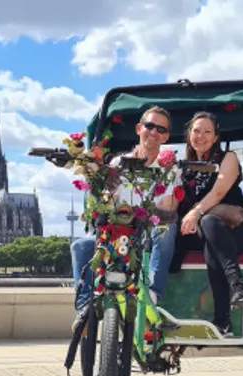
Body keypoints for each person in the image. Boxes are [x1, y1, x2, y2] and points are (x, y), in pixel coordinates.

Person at [69, 106, 181, 333]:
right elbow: (107, 201)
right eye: (150, 126)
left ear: (166, 137)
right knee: (80, 246)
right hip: (119, 235)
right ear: (139, 129)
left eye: (161, 129)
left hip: (148, 234)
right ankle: (85, 308)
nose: (154, 132)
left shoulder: (170, 169)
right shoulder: (118, 164)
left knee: (165, 229)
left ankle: (152, 296)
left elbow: (168, 208)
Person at [172, 111, 243, 337]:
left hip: (237, 227)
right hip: (203, 231)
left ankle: (225, 316)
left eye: (207, 132)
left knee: (210, 226)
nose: (201, 136)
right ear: (189, 135)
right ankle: (237, 288)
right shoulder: (181, 168)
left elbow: (219, 192)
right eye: (196, 131)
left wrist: (195, 212)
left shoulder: (227, 158)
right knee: (209, 227)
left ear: (215, 137)